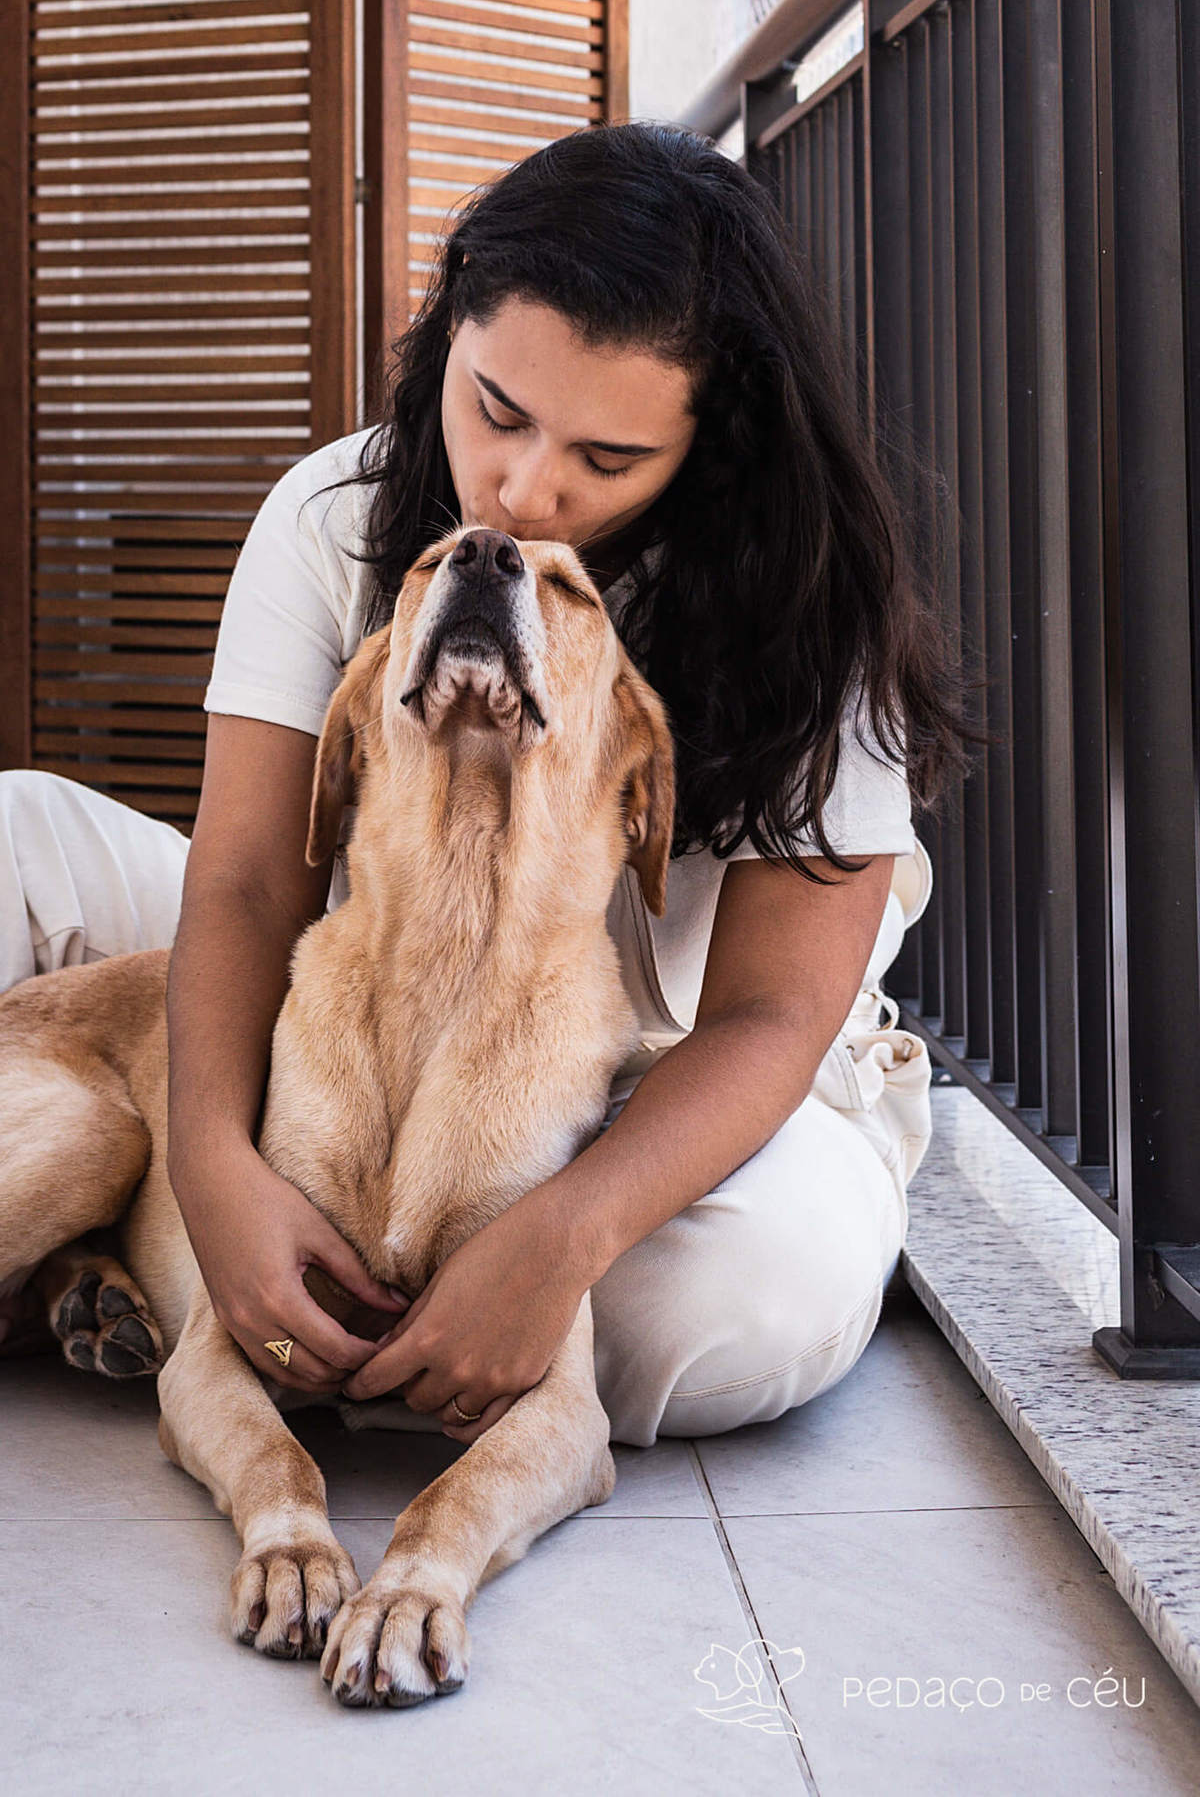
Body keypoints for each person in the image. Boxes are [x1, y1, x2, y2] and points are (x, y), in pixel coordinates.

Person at [0, 122, 984, 1449]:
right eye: (497, 411)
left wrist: (563, 1236)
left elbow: (771, 1011)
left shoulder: (814, 604)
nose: (524, 491)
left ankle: (388, 1310)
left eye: (608, 460)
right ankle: (159, 1233)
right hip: (371, 988)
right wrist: (218, 1169)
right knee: (19, 831)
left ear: (716, 437)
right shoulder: (331, 515)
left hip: (669, 1068)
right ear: (451, 329)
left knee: (727, 1307)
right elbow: (239, 881)